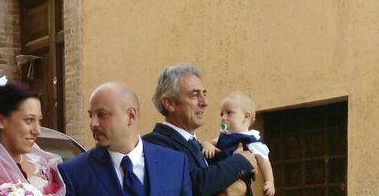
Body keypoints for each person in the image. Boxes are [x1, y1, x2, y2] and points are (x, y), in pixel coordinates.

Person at [58, 81, 192, 196]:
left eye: (102, 114)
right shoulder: (73, 173)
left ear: (131, 116)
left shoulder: (176, 164)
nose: (93, 123)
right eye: (90, 115)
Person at [142, 65, 256, 196]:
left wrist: (242, 188)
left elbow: (222, 182)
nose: (205, 102)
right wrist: (241, 160)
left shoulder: (202, 147)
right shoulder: (152, 144)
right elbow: (193, 184)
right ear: (169, 103)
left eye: (204, 94)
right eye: (195, 95)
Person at [201, 92, 275, 196]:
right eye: (222, 114)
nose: (223, 117)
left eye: (229, 113)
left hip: (238, 183)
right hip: (217, 181)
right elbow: (209, 143)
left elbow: (264, 161)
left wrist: (269, 181)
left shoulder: (251, 139)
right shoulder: (224, 135)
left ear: (246, 116)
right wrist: (206, 145)